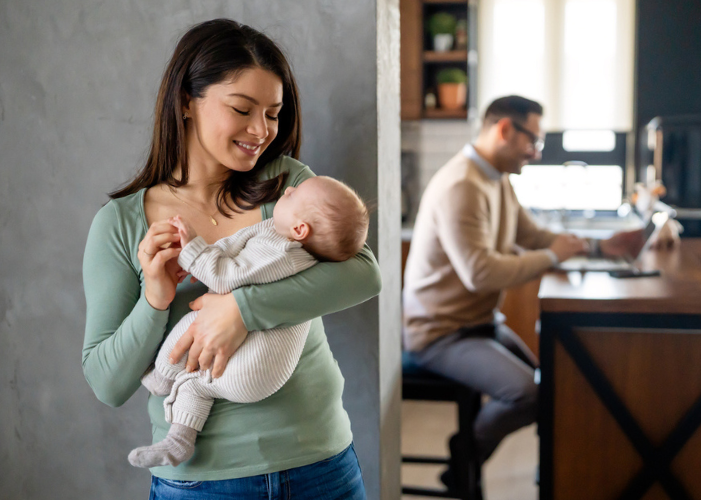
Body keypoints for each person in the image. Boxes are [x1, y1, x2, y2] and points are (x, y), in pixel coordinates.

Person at [82, 19, 380, 499]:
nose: (261, 131)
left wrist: (241, 310)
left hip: (322, 463)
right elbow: (107, 383)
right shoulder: (121, 223)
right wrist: (154, 301)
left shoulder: (285, 185)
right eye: (242, 109)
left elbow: (365, 274)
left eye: (273, 113)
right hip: (203, 482)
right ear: (185, 101)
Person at [402, 95, 656, 485]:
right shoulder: (462, 186)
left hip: (478, 322)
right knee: (531, 394)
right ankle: (464, 453)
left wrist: (599, 246)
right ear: (505, 129)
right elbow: (480, 273)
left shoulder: (494, 178)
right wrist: (553, 257)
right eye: (533, 142)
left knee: (553, 380)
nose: (535, 153)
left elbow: (532, 234)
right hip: (439, 332)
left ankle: (491, 465)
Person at [128, 175, 370, 469]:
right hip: (257, 375)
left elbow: (226, 276)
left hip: (254, 371)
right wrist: (203, 257)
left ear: (299, 229)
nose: (289, 188)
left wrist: (194, 250)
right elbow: (238, 246)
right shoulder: (280, 236)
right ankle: (179, 441)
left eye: (293, 195)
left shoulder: (284, 254)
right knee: (197, 384)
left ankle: (162, 376)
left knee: (199, 319)